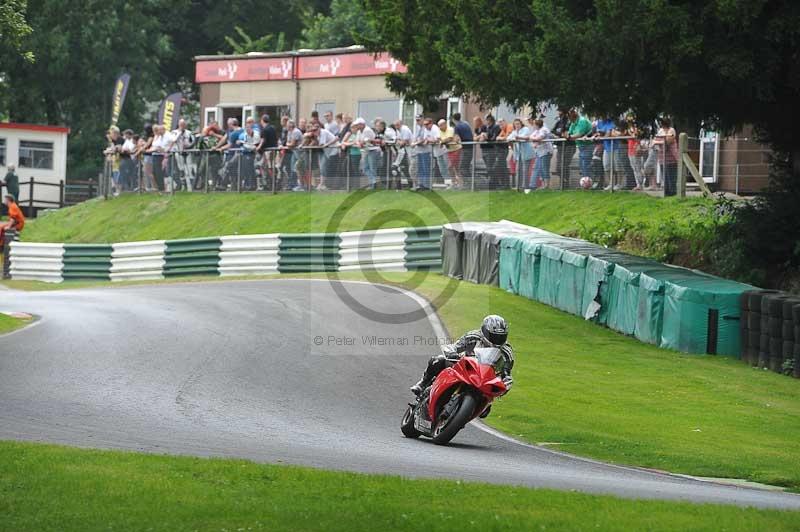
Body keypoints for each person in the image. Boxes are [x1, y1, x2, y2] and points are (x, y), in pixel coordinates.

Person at [409, 315, 515, 415]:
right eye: (494, 336)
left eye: (500, 337)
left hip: (484, 379)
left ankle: (482, 406)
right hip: (464, 367)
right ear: (484, 331)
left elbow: (506, 372)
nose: (497, 340)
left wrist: (505, 383)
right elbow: (455, 347)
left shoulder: (506, 351)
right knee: (438, 360)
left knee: (486, 408)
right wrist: (452, 353)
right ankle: (423, 383)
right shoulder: (473, 336)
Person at [567, 110, 593, 182]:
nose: (569, 118)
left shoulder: (582, 121)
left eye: (569, 116)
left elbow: (579, 134)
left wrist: (570, 137)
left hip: (588, 145)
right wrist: (569, 136)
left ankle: (588, 182)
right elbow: (569, 133)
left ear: (573, 116)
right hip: (581, 146)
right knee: (582, 165)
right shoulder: (573, 123)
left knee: (586, 165)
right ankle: (585, 182)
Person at [654, 117, 678, 196]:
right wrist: (661, 141)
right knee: (664, 176)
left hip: (671, 158)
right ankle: (666, 192)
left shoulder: (671, 130)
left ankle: (673, 192)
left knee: (671, 176)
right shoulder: (660, 131)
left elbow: (668, 140)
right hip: (662, 157)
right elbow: (656, 140)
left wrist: (661, 141)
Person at [508, 118, 534, 190]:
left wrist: (517, 138)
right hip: (518, 154)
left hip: (526, 153)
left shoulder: (525, 129)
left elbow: (525, 137)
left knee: (525, 170)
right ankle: (518, 186)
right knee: (518, 170)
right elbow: (509, 138)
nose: (517, 125)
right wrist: (514, 138)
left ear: (521, 124)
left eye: (518, 124)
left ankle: (525, 187)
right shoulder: (514, 131)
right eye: (515, 124)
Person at [257, 114, 278, 190]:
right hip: (274, 150)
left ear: (262, 120)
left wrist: (258, 148)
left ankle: (269, 183)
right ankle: (271, 182)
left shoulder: (264, 130)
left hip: (267, 152)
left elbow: (263, 141)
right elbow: (276, 139)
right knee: (268, 166)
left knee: (267, 167)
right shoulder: (273, 128)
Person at [531, 118, 553, 190]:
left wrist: (535, 140)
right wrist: (535, 139)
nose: (533, 125)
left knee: (544, 168)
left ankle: (547, 185)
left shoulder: (544, 129)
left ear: (537, 124)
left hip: (546, 152)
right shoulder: (536, 131)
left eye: (534, 124)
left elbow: (540, 138)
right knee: (539, 168)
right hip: (539, 152)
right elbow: (530, 137)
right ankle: (543, 185)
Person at [452, 112, 474, 183]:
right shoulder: (466, 124)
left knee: (462, 167)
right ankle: (470, 183)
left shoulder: (457, 126)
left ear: (453, 119)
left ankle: (470, 183)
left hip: (465, 149)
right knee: (466, 166)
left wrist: (453, 141)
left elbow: (456, 139)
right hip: (471, 147)